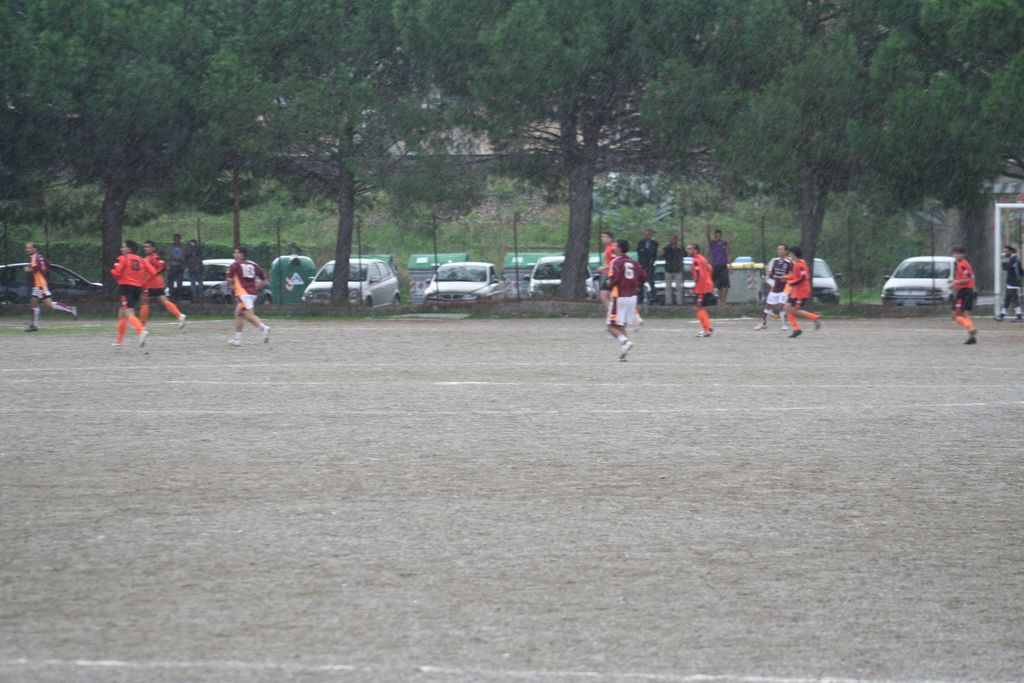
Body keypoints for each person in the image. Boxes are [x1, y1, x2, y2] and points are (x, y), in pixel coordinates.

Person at [605, 239, 647, 360]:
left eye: (616, 247)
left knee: (610, 326)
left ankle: (624, 342)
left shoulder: (616, 262)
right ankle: (624, 352)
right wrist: (637, 285)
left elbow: (614, 278)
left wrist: (609, 283)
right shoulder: (634, 262)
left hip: (620, 297)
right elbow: (644, 276)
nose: (614, 249)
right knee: (621, 325)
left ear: (619, 249)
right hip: (632, 297)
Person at [110, 240, 157, 347]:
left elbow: (116, 273)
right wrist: (143, 281)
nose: (121, 249)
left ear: (129, 249)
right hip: (137, 288)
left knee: (128, 313)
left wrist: (112, 270)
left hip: (126, 288)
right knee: (122, 313)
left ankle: (141, 331)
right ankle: (119, 341)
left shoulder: (123, 258)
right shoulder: (141, 260)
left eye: (123, 247)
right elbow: (153, 272)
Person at [22, 242, 77, 331]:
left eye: (29, 248)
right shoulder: (40, 256)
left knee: (49, 304)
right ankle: (34, 325)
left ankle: (70, 309)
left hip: (40, 285)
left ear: (35, 248)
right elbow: (48, 264)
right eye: (26, 248)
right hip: (38, 284)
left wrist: (29, 269)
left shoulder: (34, 257)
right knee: (33, 305)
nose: (27, 250)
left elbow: (36, 268)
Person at [226, 246, 271, 346]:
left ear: (241, 254)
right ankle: (237, 339)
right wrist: (256, 288)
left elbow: (229, 280)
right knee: (238, 313)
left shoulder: (234, 265)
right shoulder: (253, 265)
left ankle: (264, 328)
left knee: (249, 316)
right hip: (252, 294)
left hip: (242, 294)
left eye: (236, 253)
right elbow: (264, 281)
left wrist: (229, 288)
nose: (234, 255)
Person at [140, 240, 187, 328]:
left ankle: (142, 325)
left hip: (152, 283)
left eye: (148, 247)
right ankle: (179, 315)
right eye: (145, 247)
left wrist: (153, 274)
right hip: (156, 283)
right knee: (163, 300)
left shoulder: (153, 257)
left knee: (144, 301)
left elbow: (162, 266)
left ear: (153, 248)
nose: (145, 248)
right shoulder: (149, 257)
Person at [783, 246, 821, 338]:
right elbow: (795, 276)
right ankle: (797, 329)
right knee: (787, 308)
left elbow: (803, 277)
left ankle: (814, 317)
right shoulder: (798, 263)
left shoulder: (799, 264)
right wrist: (786, 277)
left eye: (790, 254)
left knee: (794, 311)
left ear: (793, 254)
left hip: (801, 292)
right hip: (796, 291)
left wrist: (793, 283)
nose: (789, 255)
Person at [755, 243, 793, 330]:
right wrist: (768, 277)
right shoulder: (775, 261)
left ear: (786, 251)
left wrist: (786, 277)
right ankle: (764, 323)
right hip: (776, 286)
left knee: (781, 306)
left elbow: (792, 274)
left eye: (781, 249)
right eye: (778, 249)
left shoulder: (789, 262)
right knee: (768, 305)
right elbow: (771, 272)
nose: (779, 251)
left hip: (785, 287)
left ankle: (784, 324)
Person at [950, 246, 978, 344]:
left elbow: (968, 278)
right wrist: (956, 283)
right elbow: (970, 276)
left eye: (958, 253)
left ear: (963, 254)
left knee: (955, 314)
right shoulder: (963, 264)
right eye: (954, 254)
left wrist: (956, 282)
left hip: (964, 291)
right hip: (966, 291)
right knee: (964, 314)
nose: (955, 255)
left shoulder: (962, 264)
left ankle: (971, 329)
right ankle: (972, 336)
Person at [687, 243, 714, 337]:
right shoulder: (702, 258)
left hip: (702, 287)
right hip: (705, 285)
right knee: (699, 307)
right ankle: (707, 328)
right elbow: (710, 269)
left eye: (690, 249)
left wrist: (694, 288)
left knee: (698, 307)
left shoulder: (696, 260)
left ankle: (707, 330)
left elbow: (699, 275)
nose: (688, 250)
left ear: (695, 250)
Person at [996, 245, 1022, 322]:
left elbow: (1005, 268)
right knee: (1007, 300)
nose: (1005, 253)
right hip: (1011, 283)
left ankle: (1019, 317)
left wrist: (1004, 258)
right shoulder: (1013, 258)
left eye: (1006, 251)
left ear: (1010, 251)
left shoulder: (1014, 259)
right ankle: (1002, 315)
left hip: (1013, 283)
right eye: (1004, 251)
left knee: (1014, 300)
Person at [706, 224, 730, 305]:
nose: (717, 237)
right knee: (718, 285)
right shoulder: (713, 244)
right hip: (715, 266)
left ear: (721, 236)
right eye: (716, 236)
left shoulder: (725, 244)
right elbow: (708, 238)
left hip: (724, 266)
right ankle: (720, 301)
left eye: (719, 236)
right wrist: (708, 230)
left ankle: (724, 301)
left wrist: (730, 265)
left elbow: (728, 254)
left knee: (726, 285)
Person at [661, 235, 684, 305]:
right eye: (670, 239)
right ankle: (668, 302)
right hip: (669, 269)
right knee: (668, 287)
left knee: (678, 287)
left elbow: (684, 255)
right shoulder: (666, 248)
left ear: (676, 240)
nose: (671, 240)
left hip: (678, 269)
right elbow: (662, 256)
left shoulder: (680, 248)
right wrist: (662, 253)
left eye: (673, 239)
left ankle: (679, 302)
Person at [636, 229, 658, 304]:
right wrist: (646, 252)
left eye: (648, 234)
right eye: (645, 234)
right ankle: (640, 298)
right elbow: (639, 252)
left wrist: (644, 251)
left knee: (651, 281)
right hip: (642, 264)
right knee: (640, 282)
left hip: (650, 265)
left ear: (651, 235)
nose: (647, 235)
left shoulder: (654, 243)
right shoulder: (641, 242)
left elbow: (653, 253)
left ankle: (652, 298)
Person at [597, 230, 615, 310]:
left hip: (612, 275)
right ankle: (612, 312)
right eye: (602, 236)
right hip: (608, 274)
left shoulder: (612, 248)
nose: (602, 238)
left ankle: (612, 313)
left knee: (604, 295)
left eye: (605, 236)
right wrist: (604, 267)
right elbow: (609, 262)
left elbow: (616, 262)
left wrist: (604, 267)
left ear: (610, 238)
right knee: (606, 295)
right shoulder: (608, 248)